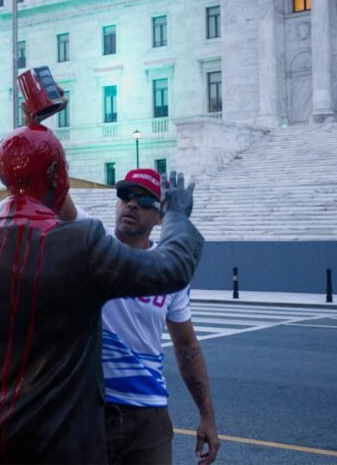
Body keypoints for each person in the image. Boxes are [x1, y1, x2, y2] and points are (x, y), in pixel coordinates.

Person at [0, 123, 205, 464]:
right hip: (65, 445)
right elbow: (172, 269)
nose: (130, 205)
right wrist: (177, 217)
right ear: (56, 174)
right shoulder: (81, 244)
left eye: (141, 201)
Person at [101, 168, 219, 465]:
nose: (132, 204)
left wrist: (207, 416)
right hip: (90, 410)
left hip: (148, 418)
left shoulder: (168, 269)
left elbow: (187, 346)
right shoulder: (92, 246)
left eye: (144, 200)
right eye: (125, 196)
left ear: (161, 217)